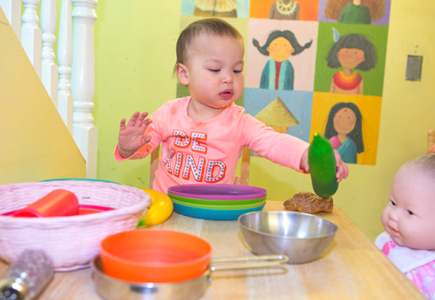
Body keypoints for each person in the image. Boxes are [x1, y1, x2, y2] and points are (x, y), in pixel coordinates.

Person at [115, 18, 348, 193]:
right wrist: (128, 147)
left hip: (214, 210)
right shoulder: (169, 113)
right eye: (216, 69)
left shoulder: (240, 122)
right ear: (184, 74)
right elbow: (143, 148)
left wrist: (309, 155)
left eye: (237, 70)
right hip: (168, 209)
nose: (229, 78)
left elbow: (274, 142)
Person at [375, 155, 435, 299]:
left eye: (410, 212)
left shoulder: (429, 275)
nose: (393, 215)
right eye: (393, 203)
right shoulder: (387, 240)